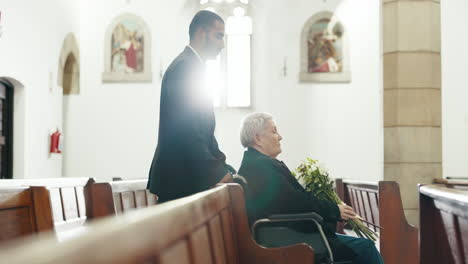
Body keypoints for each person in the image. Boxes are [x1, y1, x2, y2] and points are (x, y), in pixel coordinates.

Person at [238, 112, 384, 264]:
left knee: (363, 246)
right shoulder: (260, 168)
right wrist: (334, 210)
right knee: (366, 248)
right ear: (258, 138)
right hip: (291, 238)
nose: (280, 137)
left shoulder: (258, 164)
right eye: (274, 131)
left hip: (289, 233)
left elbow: (290, 200)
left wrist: (332, 209)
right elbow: (295, 203)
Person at [147, 10, 234, 202]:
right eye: (218, 36)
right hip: (180, 180)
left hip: (187, 177)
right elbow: (188, 130)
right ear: (202, 33)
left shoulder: (194, 66)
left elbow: (204, 133)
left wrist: (223, 167)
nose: (222, 44)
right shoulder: (185, 67)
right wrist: (217, 173)